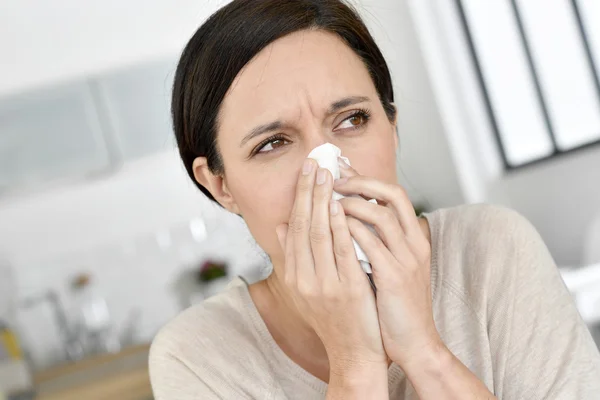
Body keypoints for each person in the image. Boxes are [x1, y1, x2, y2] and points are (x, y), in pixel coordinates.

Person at [149, 0, 600, 398]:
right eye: (272, 143)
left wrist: (425, 352)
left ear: (392, 129)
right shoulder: (197, 356)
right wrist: (354, 362)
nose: (326, 165)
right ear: (220, 185)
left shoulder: (493, 248)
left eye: (351, 119)